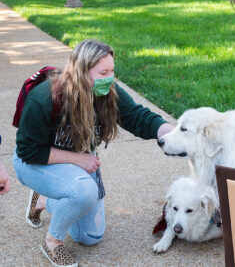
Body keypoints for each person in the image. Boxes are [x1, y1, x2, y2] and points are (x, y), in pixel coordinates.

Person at [13, 40, 173, 267]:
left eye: (112, 71)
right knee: (83, 191)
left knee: (90, 237)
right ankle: (53, 241)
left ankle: (43, 201)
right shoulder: (46, 98)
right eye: (103, 72)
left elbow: (138, 117)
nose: (110, 78)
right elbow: (27, 150)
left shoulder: (108, 92)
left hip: (77, 164)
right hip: (34, 162)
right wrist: (78, 158)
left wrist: (174, 134)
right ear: (80, 72)